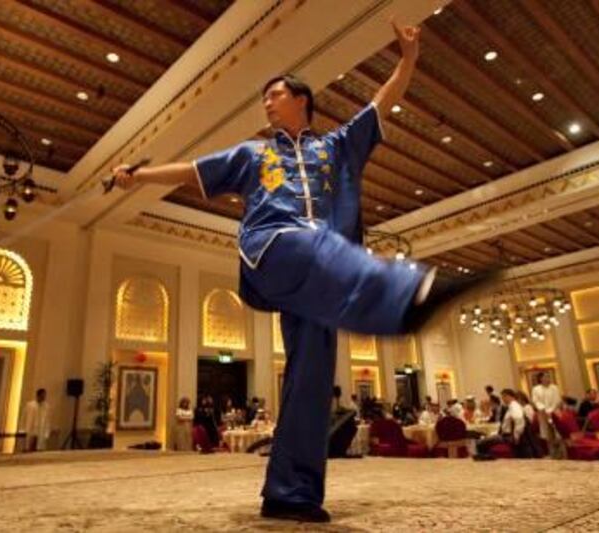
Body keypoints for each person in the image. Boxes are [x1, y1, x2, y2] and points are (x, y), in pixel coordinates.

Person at [112, 19, 491, 523]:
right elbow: (193, 171)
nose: (266, 104)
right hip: (272, 250)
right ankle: (406, 295)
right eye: (265, 98)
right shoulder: (254, 153)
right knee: (312, 242)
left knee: (311, 380)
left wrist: (408, 58)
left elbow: (380, 104)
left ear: (301, 100)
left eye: (274, 95)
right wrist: (138, 176)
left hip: (321, 280)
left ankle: (291, 494)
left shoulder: (335, 148)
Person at [474, 389, 525, 460]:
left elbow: (519, 419)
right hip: (505, 435)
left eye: (504, 397)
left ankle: (486, 460)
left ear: (509, 396)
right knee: (485, 439)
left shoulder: (514, 406)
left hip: (507, 437)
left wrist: (516, 436)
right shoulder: (511, 406)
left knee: (480, 443)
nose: (503, 399)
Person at [531, 372, 562, 452]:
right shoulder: (536, 389)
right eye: (545, 377)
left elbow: (557, 400)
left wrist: (551, 410)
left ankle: (561, 451)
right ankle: (551, 451)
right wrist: (544, 409)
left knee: (557, 431)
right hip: (543, 414)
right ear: (540, 379)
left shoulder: (554, 388)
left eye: (548, 376)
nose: (547, 378)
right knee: (547, 433)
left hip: (554, 412)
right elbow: (535, 401)